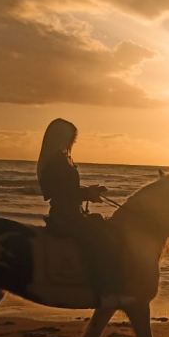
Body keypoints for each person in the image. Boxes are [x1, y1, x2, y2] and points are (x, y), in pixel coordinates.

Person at [37, 118, 133, 308]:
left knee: (102, 225)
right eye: (72, 137)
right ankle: (105, 292)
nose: (74, 142)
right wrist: (86, 193)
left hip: (69, 212)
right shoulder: (59, 160)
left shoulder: (58, 159)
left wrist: (88, 192)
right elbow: (62, 194)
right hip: (67, 216)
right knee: (102, 240)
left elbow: (65, 189)